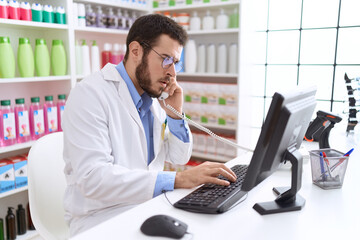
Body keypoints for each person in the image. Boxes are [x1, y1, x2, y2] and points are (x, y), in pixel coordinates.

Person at [62, 14, 237, 236]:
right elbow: (93, 179)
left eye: (175, 63)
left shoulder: (154, 99)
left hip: (147, 207)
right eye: (166, 59)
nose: (172, 73)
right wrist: (179, 179)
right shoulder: (89, 95)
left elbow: (179, 157)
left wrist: (175, 115)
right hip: (100, 218)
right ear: (136, 51)